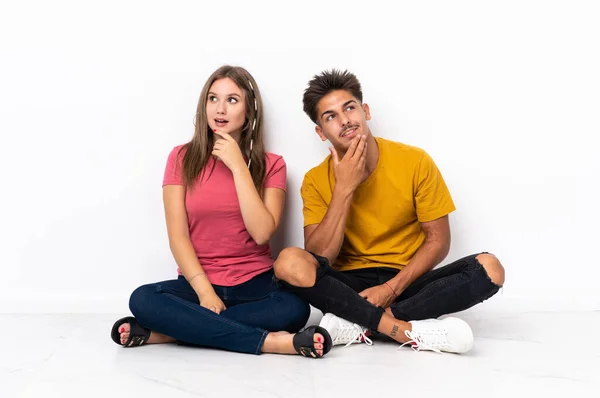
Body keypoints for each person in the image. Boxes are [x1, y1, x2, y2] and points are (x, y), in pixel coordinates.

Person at [273, 69, 505, 354]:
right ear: (321, 132)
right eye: (330, 116)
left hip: (408, 280)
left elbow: (439, 241)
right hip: (349, 286)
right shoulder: (315, 180)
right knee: (288, 262)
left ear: (365, 111)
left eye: (350, 108)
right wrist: (344, 188)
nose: (345, 120)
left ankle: (358, 323)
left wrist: (392, 289)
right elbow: (321, 258)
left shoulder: (415, 161)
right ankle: (400, 329)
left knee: (490, 268)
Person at [110, 65, 331, 359]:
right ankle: (271, 343)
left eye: (232, 100)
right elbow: (178, 236)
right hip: (196, 282)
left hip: (256, 286)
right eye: (213, 99)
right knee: (143, 299)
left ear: (249, 111)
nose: (220, 109)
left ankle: (170, 332)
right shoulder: (181, 158)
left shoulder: (272, 164)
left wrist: (238, 166)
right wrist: (204, 293)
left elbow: (262, 232)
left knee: (295, 309)